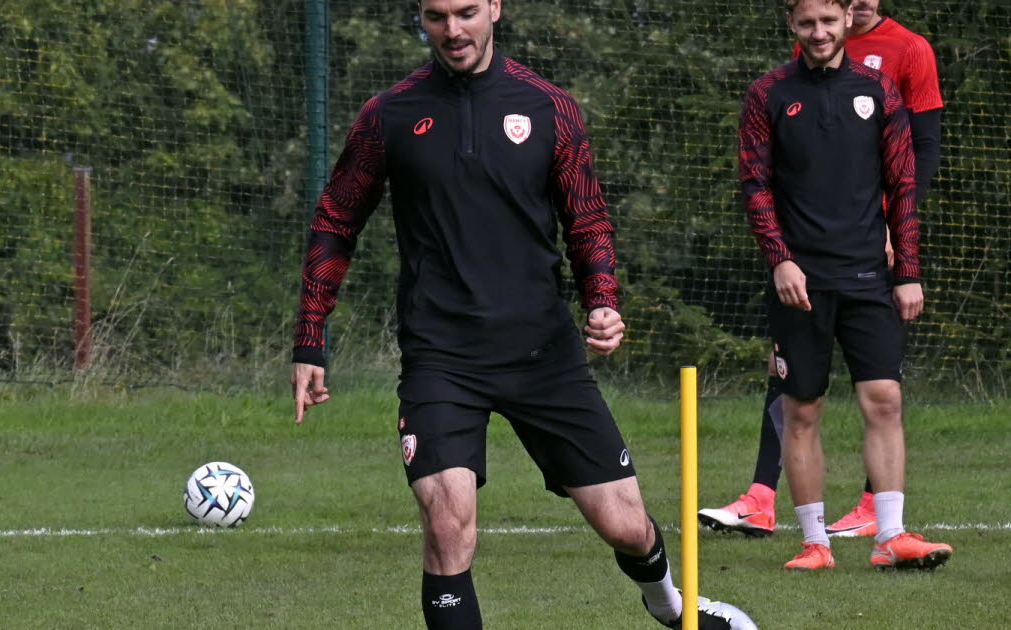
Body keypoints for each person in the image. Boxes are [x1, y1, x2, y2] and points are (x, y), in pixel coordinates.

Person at [289, 1, 757, 627]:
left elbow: (586, 220)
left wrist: (604, 301)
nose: (452, 30)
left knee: (624, 524)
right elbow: (335, 222)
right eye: (435, 15)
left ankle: (670, 604)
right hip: (441, 357)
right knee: (448, 523)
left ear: (494, 9)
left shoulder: (550, 108)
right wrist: (309, 342)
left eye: (465, 12)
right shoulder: (389, 116)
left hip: (544, 353)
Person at [698, 0, 943, 540]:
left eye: (828, 22)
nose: (819, 32)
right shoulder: (768, 93)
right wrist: (780, 260)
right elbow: (755, 184)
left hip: (868, 276)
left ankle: (890, 535)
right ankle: (813, 543)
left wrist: (907, 270)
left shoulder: (880, 90)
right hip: (800, 282)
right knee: (802, 409)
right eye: (807, 23)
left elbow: (903, 185)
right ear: (792, 24)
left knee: (885, 399)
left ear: (845, 23)